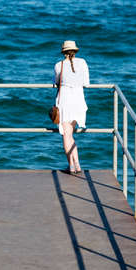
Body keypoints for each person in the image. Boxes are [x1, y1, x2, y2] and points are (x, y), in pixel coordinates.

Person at [54, 40, 89, 174]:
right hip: (78, 101)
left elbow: (56, 82)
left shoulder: (59, 65)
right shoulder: (83, 62)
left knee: (66, 135)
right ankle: (77, 164)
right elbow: (86, 83)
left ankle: (72, 166)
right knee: (69, 134)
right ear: (75, 51)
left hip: (65, 101)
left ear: (63, 52)